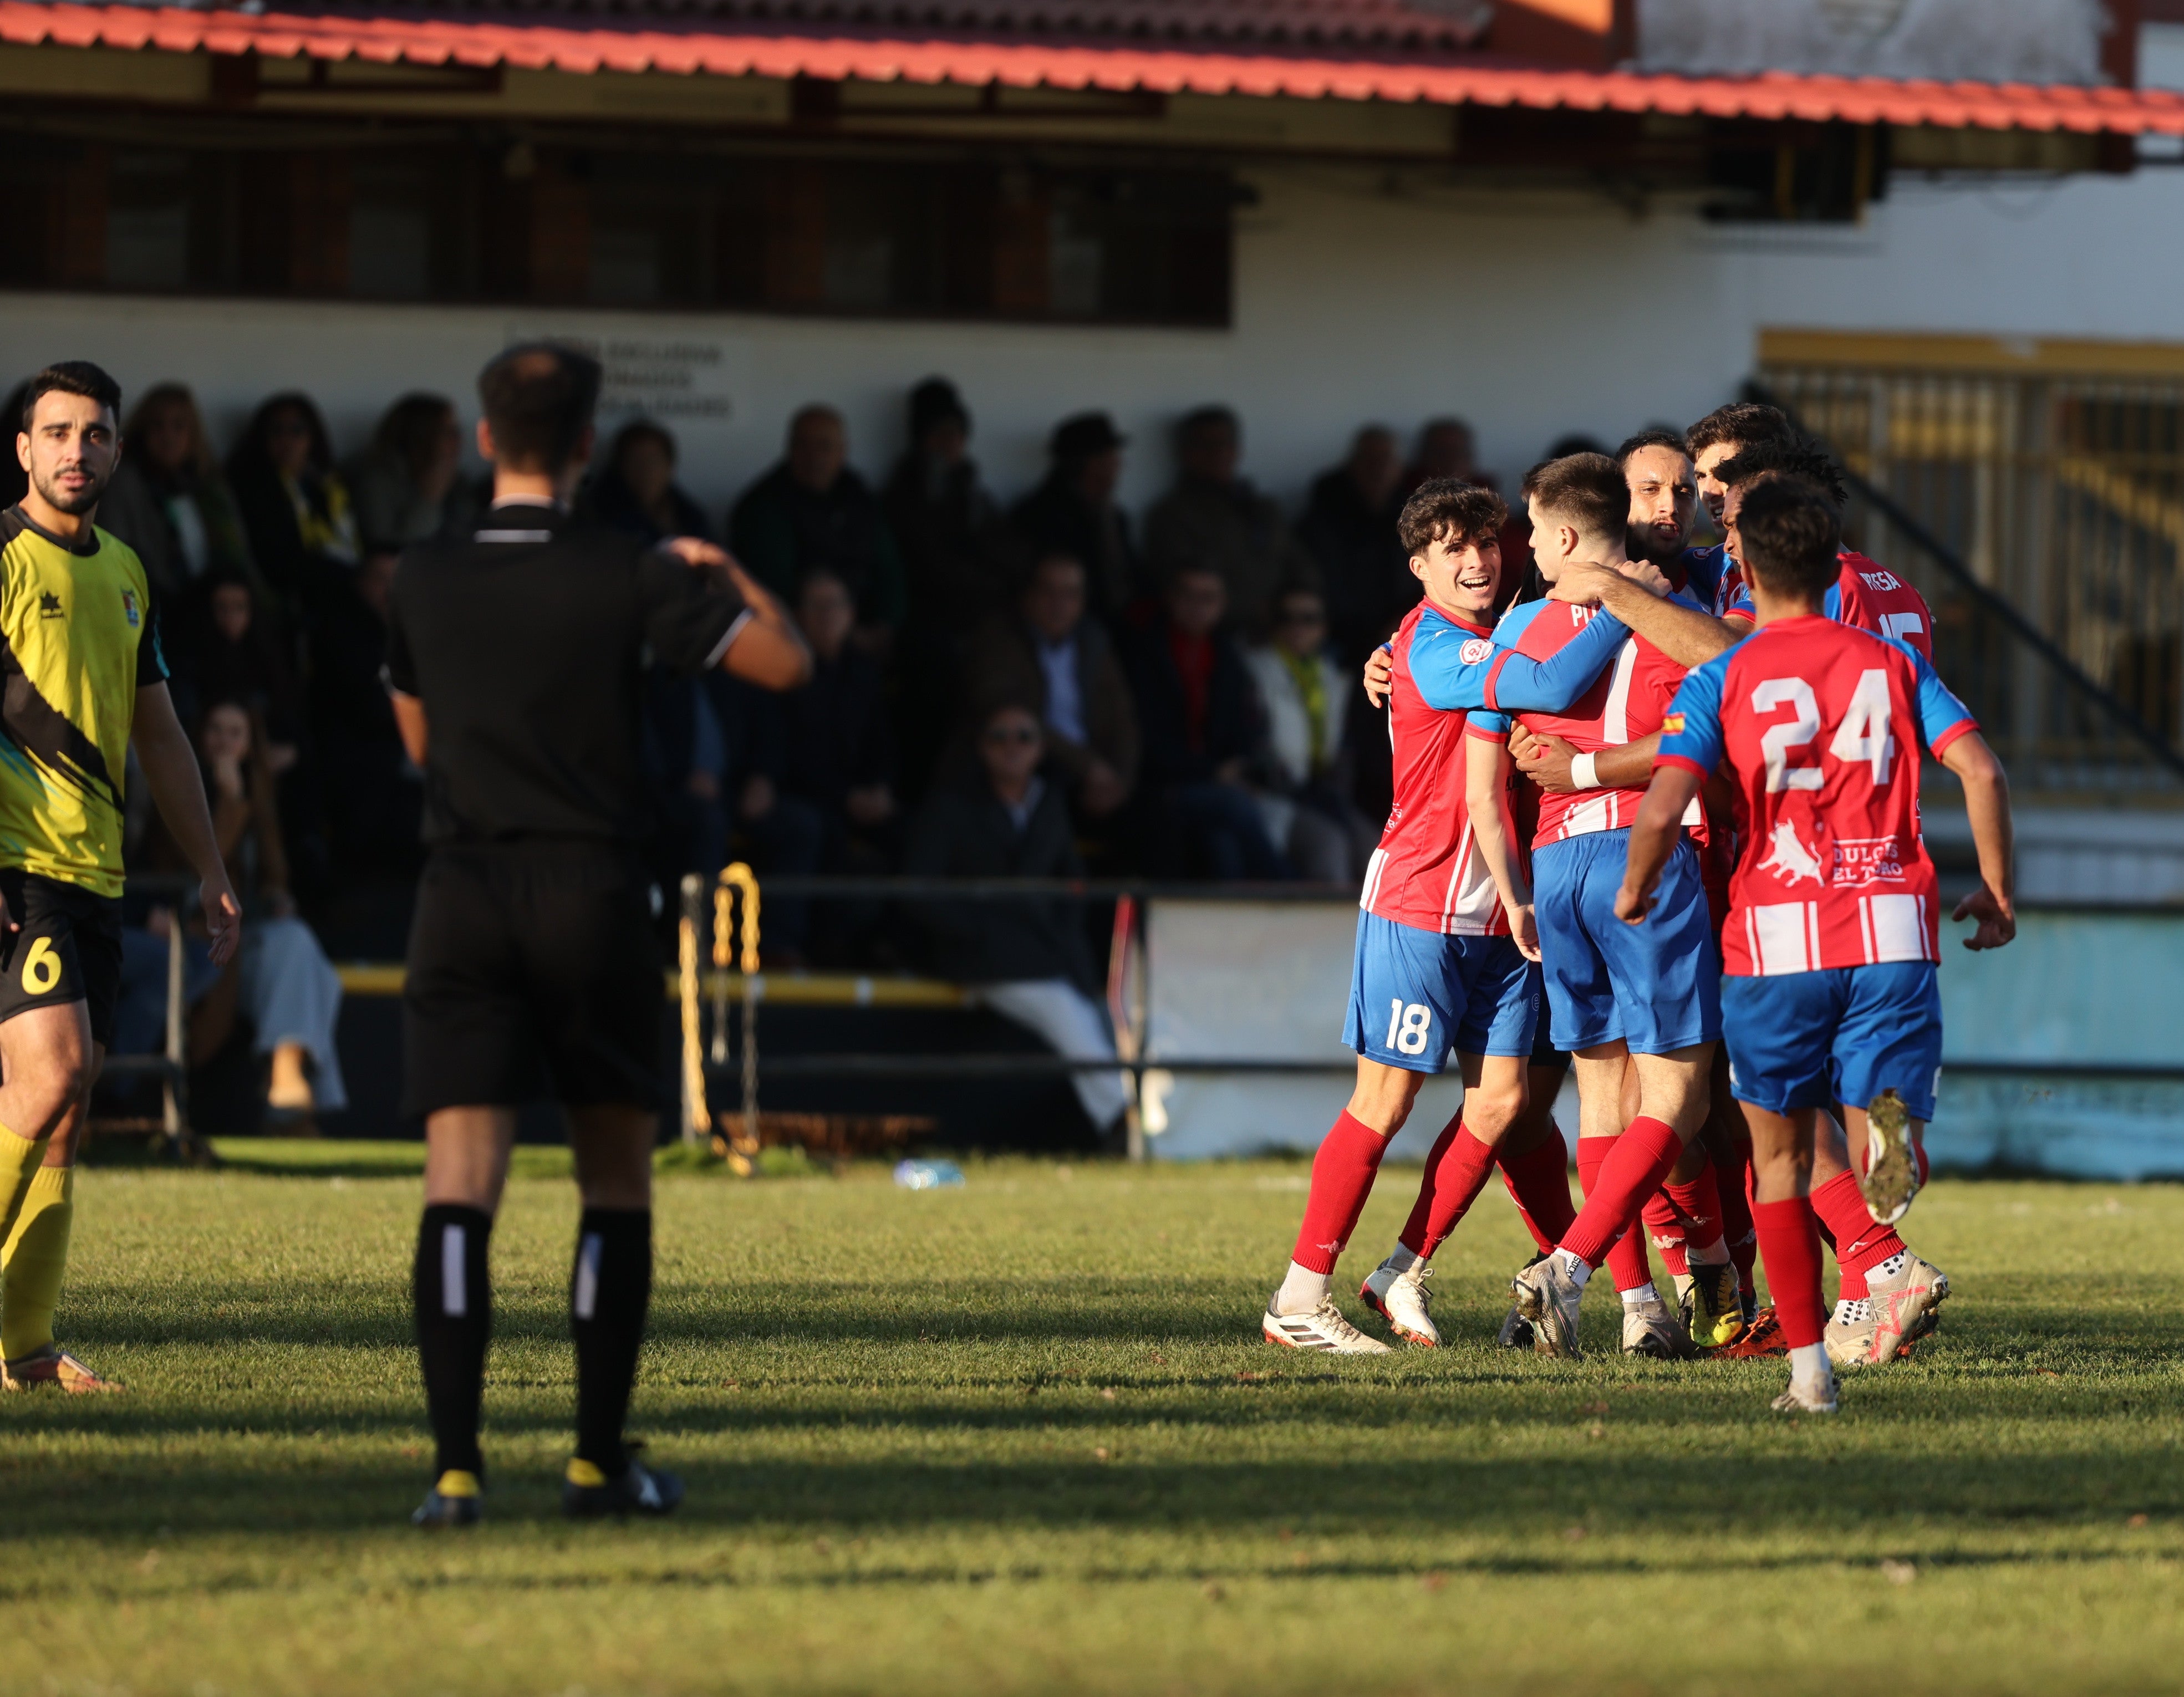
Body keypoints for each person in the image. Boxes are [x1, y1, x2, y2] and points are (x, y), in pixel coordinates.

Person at [385, 342, 809, 1528]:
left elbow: (418, 746)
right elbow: (788, 662)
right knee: (613, 1181)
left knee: (459, 1185)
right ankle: (592, 1462)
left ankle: (455, 1473)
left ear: (483, 440)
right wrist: (724, 570)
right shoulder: (633, 569)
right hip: (592, 894)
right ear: (584, 447)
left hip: (463, 890)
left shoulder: (421, 573)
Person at [1620, 470, 2015, 1410]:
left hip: (1773, 939)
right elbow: (1979, 767)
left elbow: (1667, 800)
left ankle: (1808, 1374)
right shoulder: (1888, 665)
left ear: (1745, 567)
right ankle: (1890, 1147)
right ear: (1832, 561)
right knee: (1877, 1115)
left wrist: (1634, 887)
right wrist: (1996, 890)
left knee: (1778, 1163)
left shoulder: (1723, 673)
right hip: (1886, 927)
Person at [1262, 477, 1645, 1354]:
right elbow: (1541, 678)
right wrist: (1630, 606)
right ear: (1417, 567)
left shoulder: (1486, 632)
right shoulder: (1430, 644)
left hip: (1508, 913)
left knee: (1506, 1103)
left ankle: (1403, 1269)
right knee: (1384, 1101)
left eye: (1484, 542)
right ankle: (1297, 1295)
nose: (1474, 560)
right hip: (1423, 899)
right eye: (1450, 548)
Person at [0, 361, 242, 1394]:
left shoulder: (129, 572)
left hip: (94, 871)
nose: (75, 452)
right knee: (52, 1073)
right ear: (23, 448)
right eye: (56, 433)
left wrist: (211, 867)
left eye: (94, 435)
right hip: (19, 864)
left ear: (115, 451)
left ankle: (26, 1348)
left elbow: (161, 735)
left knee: (67, 1102)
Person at [1485, 453, 1725, 1363]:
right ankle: (1569, 1267)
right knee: (1679, 1094)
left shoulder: (1532, 617)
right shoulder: (1669, 612)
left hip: (1555, 857)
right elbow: (1725, 683)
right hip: (1641, 847)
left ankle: (1637, 1308)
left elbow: (1500, 695)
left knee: (1600, 1099)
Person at [903, 700, 1129, 1143]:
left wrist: (1060, 930)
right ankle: (1125, 1119)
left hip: (1048, 951)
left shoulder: (1048, 802)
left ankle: (1135, 1117)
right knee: (1062, 1007)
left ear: (1041, 748)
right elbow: (917, 889)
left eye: (1024, 736)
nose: (1012, 747)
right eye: (999, 736)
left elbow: (1073, 882)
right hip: (983, 956)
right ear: (981, 749)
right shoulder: (951, 805)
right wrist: (978, 930)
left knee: (1100, 1010)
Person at [145, 700, 344, 1122]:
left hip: (247, 940)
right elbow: (198, 868)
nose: (224, 741)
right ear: (199, 735)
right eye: (216, 729)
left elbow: (276, 874)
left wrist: (277, 896)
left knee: (300, 946)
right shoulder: (174, 788)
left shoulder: (261, 790)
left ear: (250, 743)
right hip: (201, 941)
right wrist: (230, 802)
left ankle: (290, 1080)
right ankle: (294, 1098)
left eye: (236, 733)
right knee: (315, 973)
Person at [1123, 564, 1288, 881]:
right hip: (1161, 786)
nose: (1198, 606)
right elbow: (1146, 740)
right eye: (1189, 596)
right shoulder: (1144, 653)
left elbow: (1243, 729)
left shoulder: (1226, 655)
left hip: (1216, 784)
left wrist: (1236, 767)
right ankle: (1290, 890)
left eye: (1208, 597)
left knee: (1222, 845)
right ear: (1171, 599)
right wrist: (1212, 772)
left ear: (1222, 604)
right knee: (1236, 808)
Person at [963, 553, 1138, 827]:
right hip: (1031, 764)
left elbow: (1123, 719)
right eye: (1048, 592)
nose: (1059, 605)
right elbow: (1009, 716)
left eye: (1070, 594)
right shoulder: (999, 640)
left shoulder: (1093, 643)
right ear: (1028, 595)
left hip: (1096, 771)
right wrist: (1088, 767)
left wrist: (1120, 782)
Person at [730, 404, 906, 643]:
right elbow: (771, 594)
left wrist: (886, 625)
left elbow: (888, 570)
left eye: (824, 446)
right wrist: (840, 633)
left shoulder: (860, 497)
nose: (814, 457)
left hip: (868, 631)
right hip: (796, 637)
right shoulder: (764, 506)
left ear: (843, 451)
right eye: (803, 445)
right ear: (789, 449)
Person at [1142, 406, 1317, 639]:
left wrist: (1294, 607)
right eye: (1206, 445)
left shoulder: (1262, 508)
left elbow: (1300, 565)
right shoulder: (1172, 515)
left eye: (1225, 444)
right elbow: (1186, 592)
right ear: (1186, 452)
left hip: (1285, 632)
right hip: (1218, 638)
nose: (1218, 453)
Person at [1244, 587, 1374, 885]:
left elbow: (1341, 753)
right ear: (1273, 625)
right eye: (1287, 618)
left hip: (1321, 795)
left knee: (1376, 851)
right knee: (1328, 847)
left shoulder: (1332, 676)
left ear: (1323, 627)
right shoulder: (1253, 669)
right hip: (1272, 796)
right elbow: (1254, 746)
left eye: (1309, 619)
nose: (1298, 628)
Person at [98, 383, 257, 602]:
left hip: (214, 608)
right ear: (142, 432)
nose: (168, 436)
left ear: (193, 433)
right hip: (151, 604)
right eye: (158, 426)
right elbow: (115, 555)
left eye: (178, 426)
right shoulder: (123, 483)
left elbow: (239, 560)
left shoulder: (210, 487)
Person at [883, 378, 1006, 634]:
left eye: (957, 433)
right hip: (923, 627)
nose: (949, 443)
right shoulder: (898, 501)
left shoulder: (977, 498)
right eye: (938, 433)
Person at [226, 392, 360, 606]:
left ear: (312, 436)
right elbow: (278, 562)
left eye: (297, 430)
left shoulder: (330, 484)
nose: (286, 440)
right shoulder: (254, 488)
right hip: (295, 595)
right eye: (276, 431)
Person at [1007, 412, 1139, 623]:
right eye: (1109, 458)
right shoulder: (1038, 516)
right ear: (1086, 463)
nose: (1118, 466)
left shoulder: (1114, 516)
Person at [1298, 425, 1411, 665]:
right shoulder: (1323, 519)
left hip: (1400, 632)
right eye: (1369, 459)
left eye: (1385, 460)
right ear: (1352, 465)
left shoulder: (1415, 518)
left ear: (1399, 468)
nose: (1378, 469)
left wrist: (1403, 622)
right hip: (1332, 638)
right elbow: (1319, 585)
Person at [345, 393, 473, 548]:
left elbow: (470, 535)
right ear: (421, 435)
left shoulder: (457, 480)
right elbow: (387, 549)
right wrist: (430, 498)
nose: (458, 440)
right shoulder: (375, 478)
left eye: (457, 431)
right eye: (448, 432)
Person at [584, 421, 710, 544]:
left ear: (670, 465)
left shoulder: (691, 516)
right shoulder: (599, 516)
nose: (647, 470)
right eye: (636, 460)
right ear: (620, 466)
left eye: (654, 460)